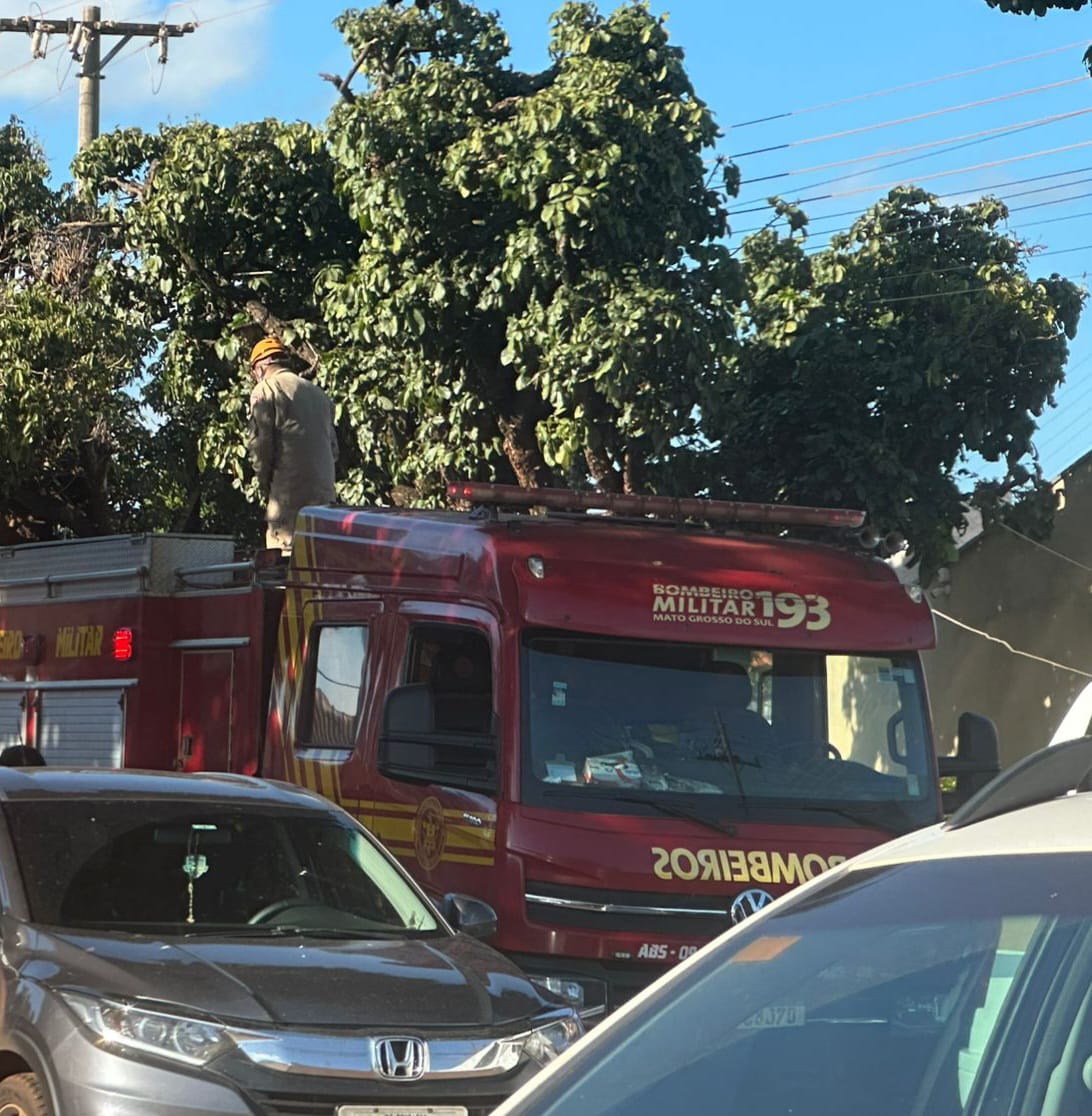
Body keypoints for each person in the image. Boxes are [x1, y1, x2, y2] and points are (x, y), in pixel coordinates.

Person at [246, 337, 338, 551]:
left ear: (260, 368)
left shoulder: (266, 389)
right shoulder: (319, 395)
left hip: (289, 492)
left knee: (285, 560)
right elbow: (333, 450)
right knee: (318, 555)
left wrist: (264, 484)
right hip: (324, 492)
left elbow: (262, 445)